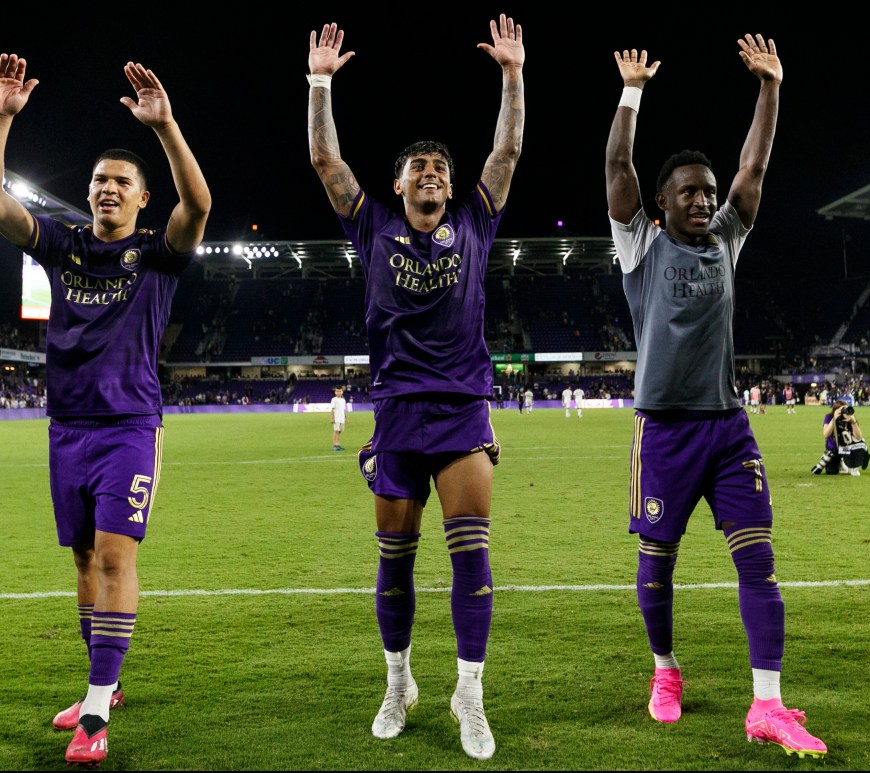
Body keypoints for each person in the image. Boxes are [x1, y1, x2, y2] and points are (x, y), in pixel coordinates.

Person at [306, 14, 524, 762]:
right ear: (397, 183)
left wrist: (512, 74)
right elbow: (325, 159)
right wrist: (320, 82)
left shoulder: (475, 224)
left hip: (462, 412)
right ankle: (398, 682)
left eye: (439, 167)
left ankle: (470, 692)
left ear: (451, 185)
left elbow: (507, 150)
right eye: (417, 167)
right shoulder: (371, 227)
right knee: (394, 559)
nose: (431, 172)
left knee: (471, 558)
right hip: (398, 414)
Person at [605, 36, 826, 758]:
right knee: (658, 562)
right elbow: (618, 168)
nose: (703, 199)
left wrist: (771, 86)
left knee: (757, 560)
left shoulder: (727, 238)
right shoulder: (641, 246)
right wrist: (632, 92)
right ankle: (665, 669)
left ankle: (768, 705)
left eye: (707, 190)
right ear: (662, 203)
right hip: (665, 431)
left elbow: (753, 167)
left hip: (729, 428)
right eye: (688, 192)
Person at [0, 54, 211, 766]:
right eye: (99, 180)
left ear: (143, 198)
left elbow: (199, 206)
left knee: (117, 555)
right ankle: (106, 684)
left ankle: (94, 710)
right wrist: (2, 118)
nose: (108, 189)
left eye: (122, 182)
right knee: (85, 558)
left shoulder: (157, 255)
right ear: (87, 193)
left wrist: (166, 126)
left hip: (128, 428)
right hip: (67, 430)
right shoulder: (62, 247)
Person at [811, 400, 868, 476]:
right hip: (834, 449)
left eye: (846, 409)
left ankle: (851, 464)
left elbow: (859, 437)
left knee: (862, 443)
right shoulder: (829, 417)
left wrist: (853, 422)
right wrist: (834, 419)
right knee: (831, 471)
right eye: (842, 410)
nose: (844, 412)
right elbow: (826, 434)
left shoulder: (850, 417)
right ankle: (841, 462)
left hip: (848, 448)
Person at [330, 386, 347, 451]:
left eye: (340, 391)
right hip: (336, 418)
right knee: (336, 431)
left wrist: (346, 417)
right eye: (337, 391)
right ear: (335, 392)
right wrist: (332, 418)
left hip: (342, 418)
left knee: (339, 431)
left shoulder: (343, 400)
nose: (338, 392)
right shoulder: (334, 399)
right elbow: (332, 409)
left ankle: (338, 444)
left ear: (342, 392)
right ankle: (335, 445)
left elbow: (344, 409)